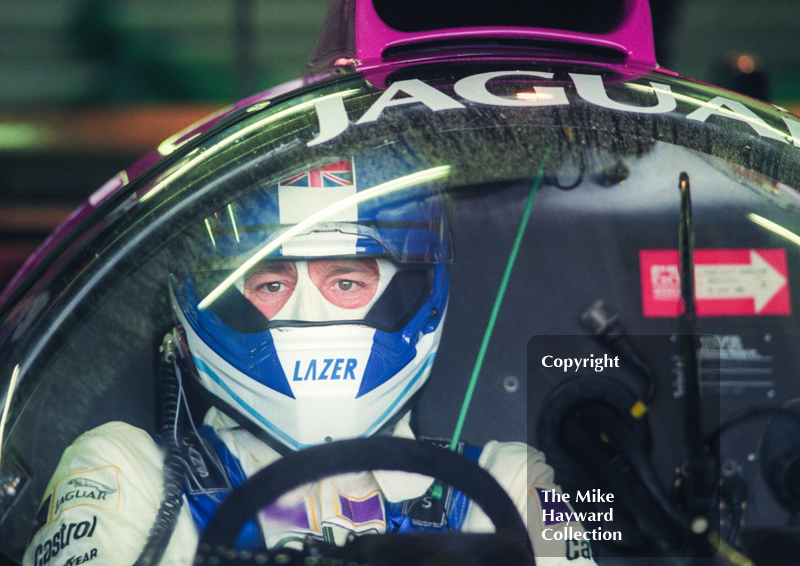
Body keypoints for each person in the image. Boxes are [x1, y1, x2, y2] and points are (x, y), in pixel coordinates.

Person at [23, 157, 597, 566]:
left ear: (409, 294)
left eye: (345, 280)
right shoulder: (126, 471)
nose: (308, 312)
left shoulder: (509, 481)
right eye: (270, 282)